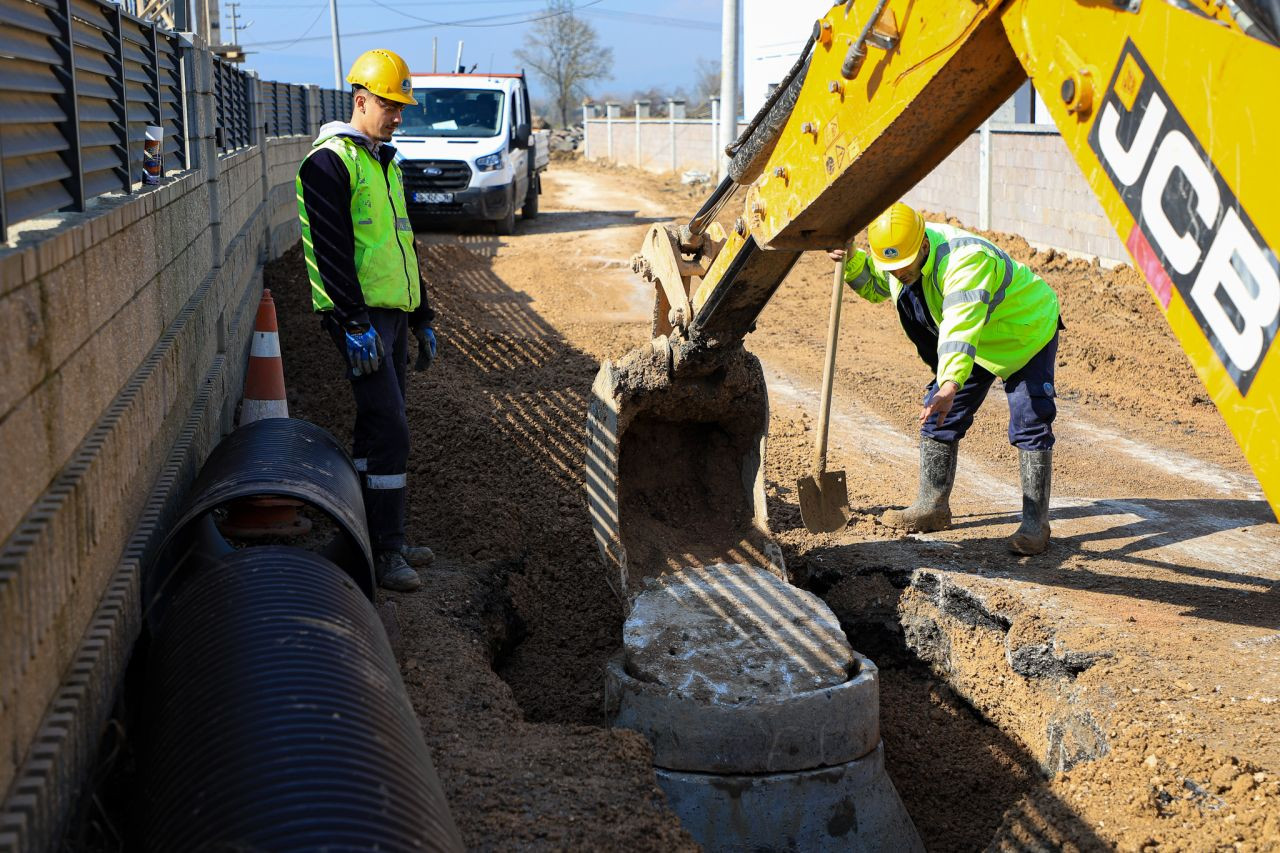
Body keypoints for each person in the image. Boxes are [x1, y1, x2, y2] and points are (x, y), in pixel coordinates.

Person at [829, 202, 1063, 555]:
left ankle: (1035, 525)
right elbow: (876, 286)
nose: (900, 273)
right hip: (975, 341)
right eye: (893, 267)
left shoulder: (966, 261)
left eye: (904, 266)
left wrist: (950, 382)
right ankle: (932, 507)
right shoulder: (898, 256)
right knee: (940, 414)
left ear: (923, 244)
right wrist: (851, 259)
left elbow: (960, 325)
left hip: (1023, 331)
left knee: (1030, 419)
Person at [295, 48, 438, 591]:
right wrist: (354, 323)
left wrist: (423, 314)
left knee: (376, 426)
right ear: (360, 100)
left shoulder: (385, 161)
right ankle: (386, 551)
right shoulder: (329, 163)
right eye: (389, 104)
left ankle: (360, 533)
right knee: (391, 429)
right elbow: (331, 250)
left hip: (393, 316)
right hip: (360, 321)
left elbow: (404, 244)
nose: (398, 115)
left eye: (402, 106)